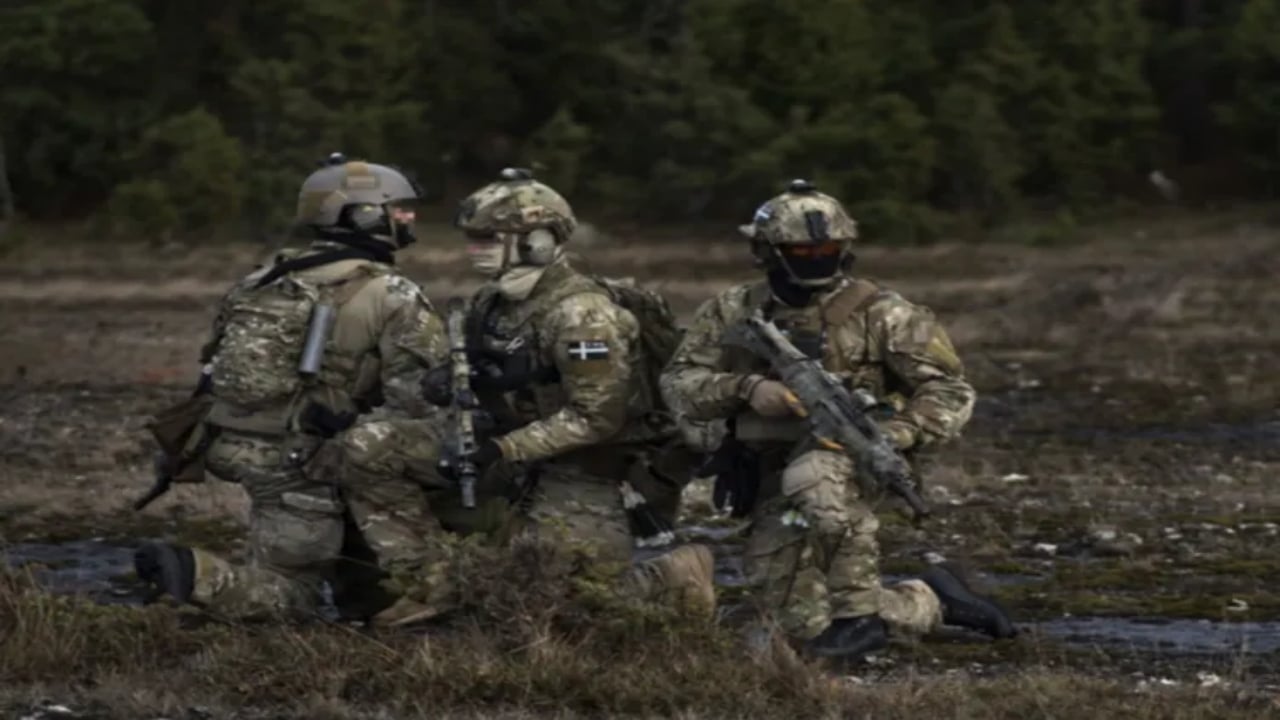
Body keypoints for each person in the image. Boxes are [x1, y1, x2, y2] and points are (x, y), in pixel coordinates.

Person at [660, 179, 1016, 658]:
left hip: (856, 461)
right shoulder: (733, 310)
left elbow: (950, 390)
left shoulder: (883, 313)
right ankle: (931, 600)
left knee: (817, 475)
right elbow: (679, 381)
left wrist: (895, 432)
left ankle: (860, 620)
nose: (814, 258)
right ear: (766, 251)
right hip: (767, 469)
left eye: (826, 248)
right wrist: (747, 388)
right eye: (800, 250)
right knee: (793, 621)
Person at [134, 156, 450, 622]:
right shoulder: (391, 293)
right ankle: (198, 575)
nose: (407, 217)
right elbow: (421, 400)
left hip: (236, 446)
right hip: (302, 457)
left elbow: (214, 364)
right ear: (362, 214)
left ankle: (361, 588)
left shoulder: (262, 280)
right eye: (395, 207)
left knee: (299, 548)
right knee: (292, 594)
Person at [407, 167, 715, 615]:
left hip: (589, 472)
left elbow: (596, 418)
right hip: (522, 463)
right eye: (474, 238)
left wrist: (502, 448)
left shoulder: (582, 314)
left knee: (561, 605)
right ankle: (436, 579)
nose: (475, 250)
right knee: (382, 457)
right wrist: (444, 380)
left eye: (490, 238)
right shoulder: (490, 303)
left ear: (538, 241)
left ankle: (669, 578)